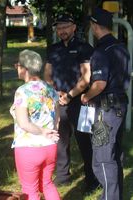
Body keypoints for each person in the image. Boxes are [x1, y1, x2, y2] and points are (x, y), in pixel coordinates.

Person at [44, 13, 99, 190]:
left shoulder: (84, 48)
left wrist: (69, 95)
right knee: (60, 140)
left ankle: (92, 180)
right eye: (59, 28)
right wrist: (54, 91)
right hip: (58, 101)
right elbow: (47, 74)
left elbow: (86, 77)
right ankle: (62, 176)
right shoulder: (53, 49)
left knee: (85, 141)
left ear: (74, 27)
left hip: (79, 101)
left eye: (65, 27)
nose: (62, 31)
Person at [81, 8, 130, 200]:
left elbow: (99, 84)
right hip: (119, 106)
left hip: (105, 109)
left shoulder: (101, 51)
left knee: (102, 159)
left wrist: (86, 96)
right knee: (115, 154)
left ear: (94, 26)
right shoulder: (121, 47)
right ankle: (115, 195)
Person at [10, 49, 60, 200]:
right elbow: (57, 118)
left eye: (17, 65)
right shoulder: (51, 89)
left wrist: (41, 131)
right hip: (50, 147)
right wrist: (51, 133)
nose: (16, 68)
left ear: (25, 69)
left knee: (29, 190)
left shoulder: (22, 91)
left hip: (28, 147)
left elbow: (24, 123)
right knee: (47, 184)